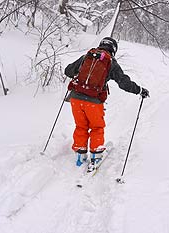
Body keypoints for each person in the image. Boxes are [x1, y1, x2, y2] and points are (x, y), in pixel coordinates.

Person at [64, 37, 149, 169]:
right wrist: (139, 90)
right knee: (97, 127)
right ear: (114, 49)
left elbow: (68, 71)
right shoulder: (111, 62)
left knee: (81, 126)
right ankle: (95, 155)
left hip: (75, 98)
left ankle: (80, 155)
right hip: (93, 101)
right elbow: (123, 83)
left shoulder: (87, 56)